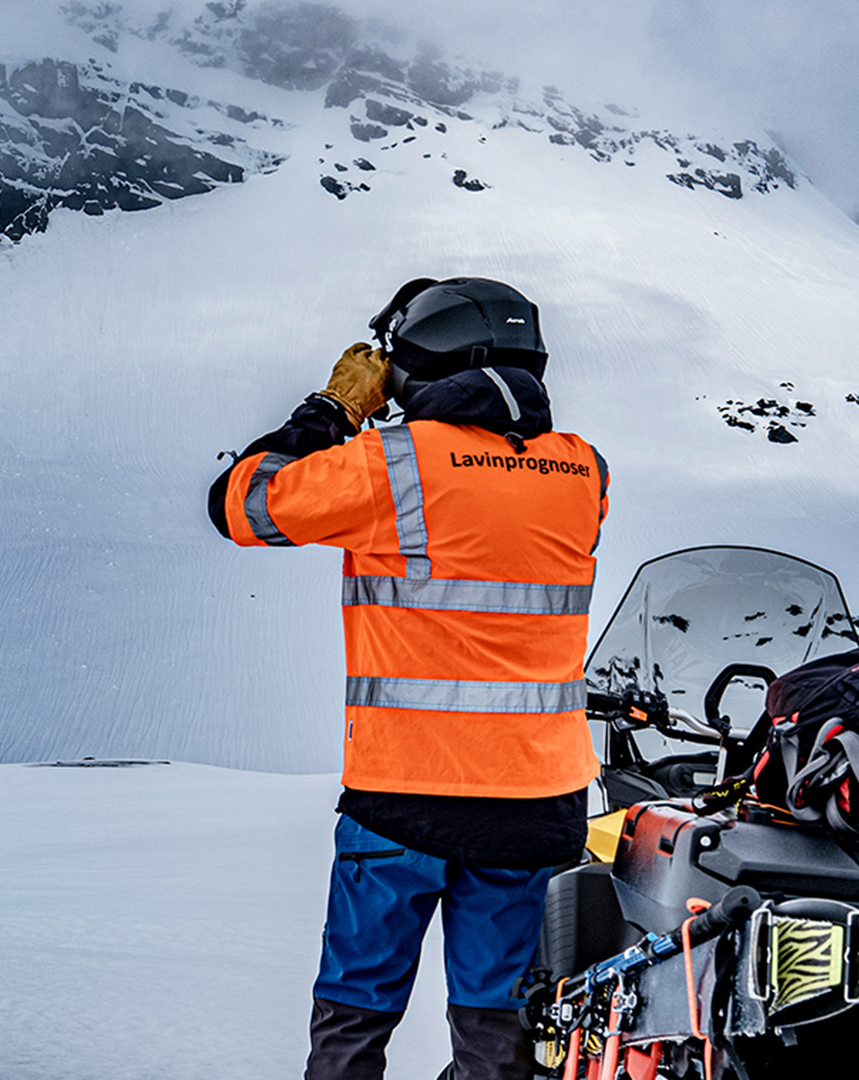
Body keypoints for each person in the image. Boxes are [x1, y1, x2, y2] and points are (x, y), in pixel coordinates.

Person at [207, 278, 609, 1080]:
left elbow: (242, 503)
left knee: (355, 1019)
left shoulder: (389, 466)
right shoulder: (583, 473)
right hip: (537, 804)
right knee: (503, 1030)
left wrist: (335, 406)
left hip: (401, 801)